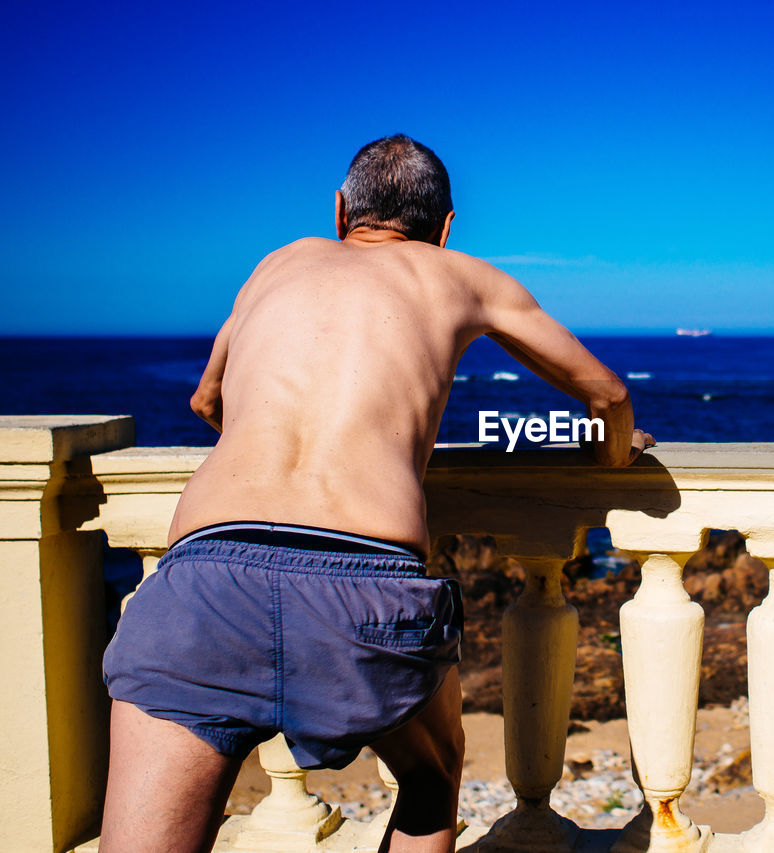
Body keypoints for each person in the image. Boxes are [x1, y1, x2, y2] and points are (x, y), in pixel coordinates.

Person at [99, 134, 654, 853]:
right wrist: (615, 456)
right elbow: (606, 392)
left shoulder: (277, 263)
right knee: (431, 778)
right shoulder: (463, 275)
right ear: (446, 225)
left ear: (340, 210)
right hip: (363, 583)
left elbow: (207, 399)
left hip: (204, 577)